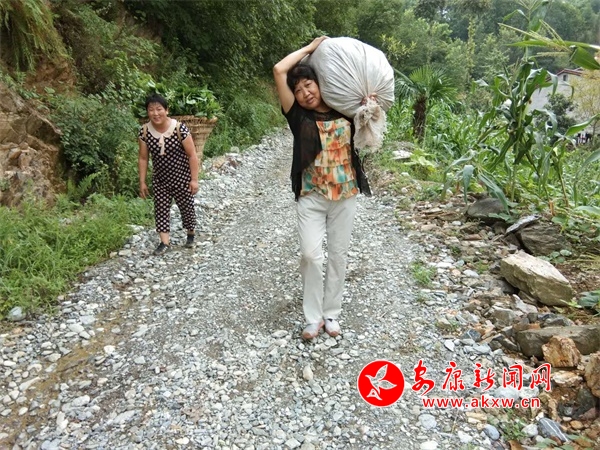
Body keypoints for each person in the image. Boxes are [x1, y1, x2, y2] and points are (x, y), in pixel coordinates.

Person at [273, 36, 372, 340]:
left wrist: (368, 106)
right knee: (310, 255)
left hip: (345, 194)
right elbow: (279, 70)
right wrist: (309, 49)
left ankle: (331, 314)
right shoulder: (297, 115)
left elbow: (369, 121)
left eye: (309, 85)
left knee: (338, 255)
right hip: (311, 195)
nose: (305, 93)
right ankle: (312, 317)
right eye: (299, 89)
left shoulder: (345, 108)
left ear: (320, 84)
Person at [138, 93, 199, 255]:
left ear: (166, 110)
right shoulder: (145, 131)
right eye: (151, 110)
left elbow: (192, 155)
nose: (155, 113)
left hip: (182, 178)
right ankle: (164, 242)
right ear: (147, 112)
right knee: (161, 209)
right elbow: (143, 158)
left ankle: (190, 233)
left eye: (159, 109)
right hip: (160, 179)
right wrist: (142, 182)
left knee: (186, 207)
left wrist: (194, 180)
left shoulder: (179, 129)